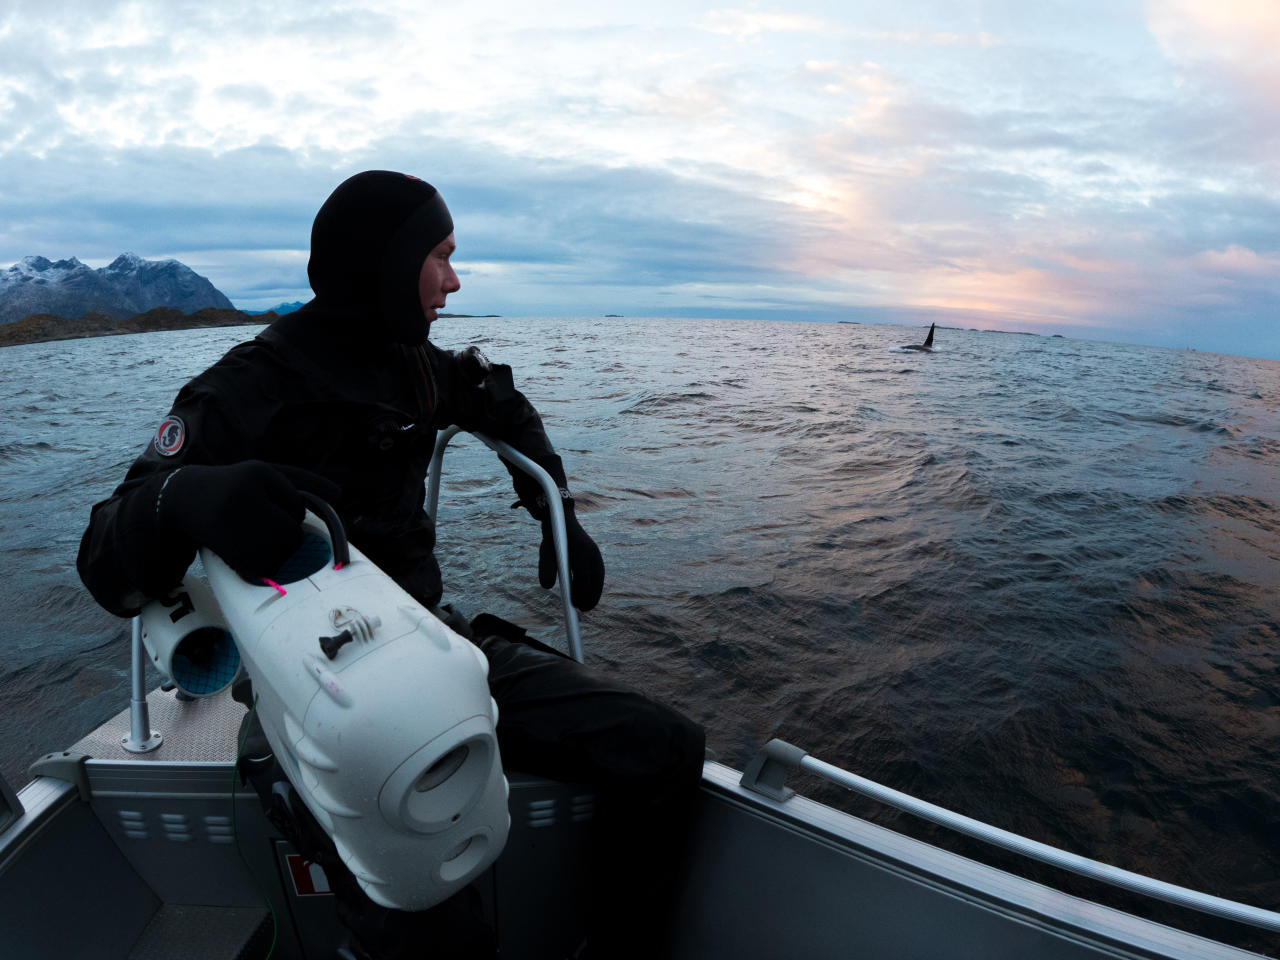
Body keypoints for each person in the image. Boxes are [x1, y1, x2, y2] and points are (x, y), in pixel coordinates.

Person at [77, 170, 705, 959]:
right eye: (440, 255)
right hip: (308, 700)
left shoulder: (413, 364)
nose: (454, 278)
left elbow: (499, 402)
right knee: (432, 920)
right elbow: (104, 555)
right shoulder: (244, 390)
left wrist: (557, 513)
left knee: (662, 748)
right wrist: (185, 499)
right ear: (384, 263)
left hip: (438, 650)